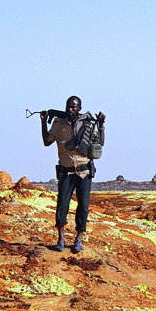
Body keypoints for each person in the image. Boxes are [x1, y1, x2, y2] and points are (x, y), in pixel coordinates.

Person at [40, 95, 106, 251]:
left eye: (73, 107)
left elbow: (100, 143)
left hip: (84, 172)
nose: (70, 109)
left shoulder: (88, 124)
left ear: (79, 108)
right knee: (62, 205)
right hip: (66, 172)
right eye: (68, 106)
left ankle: (78, 239)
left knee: (83, 206)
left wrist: (102, 125)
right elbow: (46, 142)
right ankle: (61, 240)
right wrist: (43, 122)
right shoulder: (58, 124)